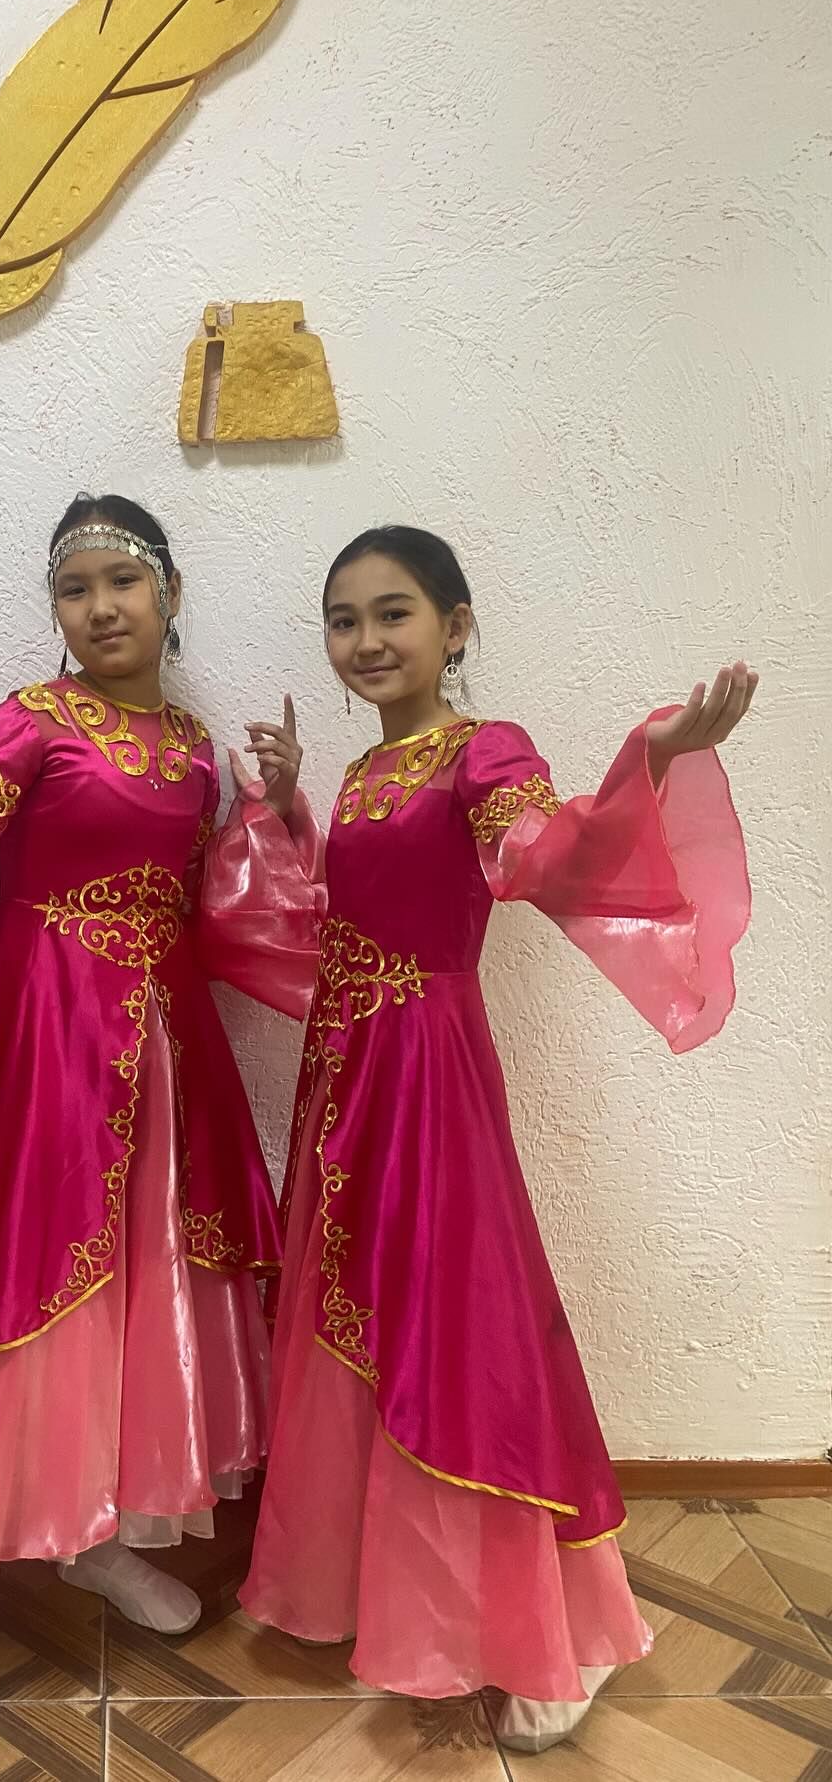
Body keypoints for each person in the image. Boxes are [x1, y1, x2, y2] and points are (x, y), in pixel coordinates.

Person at [0, 495, 320, 1782]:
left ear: (169, 592)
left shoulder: (195, 750)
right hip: (42, 1046)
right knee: (11, 1301)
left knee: (142, 1304)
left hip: (166, 1053)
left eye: (120, 582)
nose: (98, 607)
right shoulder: (31, 720)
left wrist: (278, 810)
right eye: (74, 587)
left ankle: (93, 1536)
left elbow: (228, 908)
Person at [239, 524, 755, 1754]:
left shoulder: (488, 750)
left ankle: (560, 1628)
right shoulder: (369, 771)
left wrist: (645, 760)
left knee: (465, 1326)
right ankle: (397, 1591)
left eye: (395, 612)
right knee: (363, 1315)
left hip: (426, 1070)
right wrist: (296, 805)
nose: (367, 639)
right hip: (346, 1072)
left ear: (456, 625)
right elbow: (349, 904)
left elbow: (537, 853)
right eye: (344, 618)